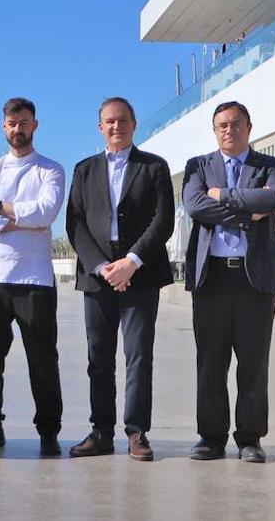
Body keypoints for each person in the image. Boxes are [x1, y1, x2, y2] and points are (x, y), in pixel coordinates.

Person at [65, 97, 174, 461]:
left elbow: (163, 220)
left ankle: (137, 432)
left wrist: (131, 262)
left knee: (138, 356)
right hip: (98, 278)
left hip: (141, 275)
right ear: (100, 127)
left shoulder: (154, 167)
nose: (116, 126)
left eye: (123, 120)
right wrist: (102, 266)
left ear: (134, 124)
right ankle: (100, 431)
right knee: (99, 357)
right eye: (109, 121)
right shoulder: (84, 170)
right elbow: (75, 223)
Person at [182, 101, 275, 463]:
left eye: (236, 124)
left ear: (249, 127)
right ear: (215, 131)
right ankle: (211, 438)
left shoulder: (269, 166)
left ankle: (249, 438)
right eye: (222, 125)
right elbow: (195, 206)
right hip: (211, 277)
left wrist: (222, 196)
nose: (229, 130)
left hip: (254, 277)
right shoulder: (198, 166)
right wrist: (248, 213)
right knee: (210, 360)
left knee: (253, 361)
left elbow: (273, 198)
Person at [0, 97, 66, 456]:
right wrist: (16, 220)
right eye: (11, 123)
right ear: (3, 127)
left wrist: (1, 210)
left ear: (34, 125)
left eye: (23, 123)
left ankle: (48, 431)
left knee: (42, 358)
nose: (17, 129)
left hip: (34, 279)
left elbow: (46, 211)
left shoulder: (50, 170)